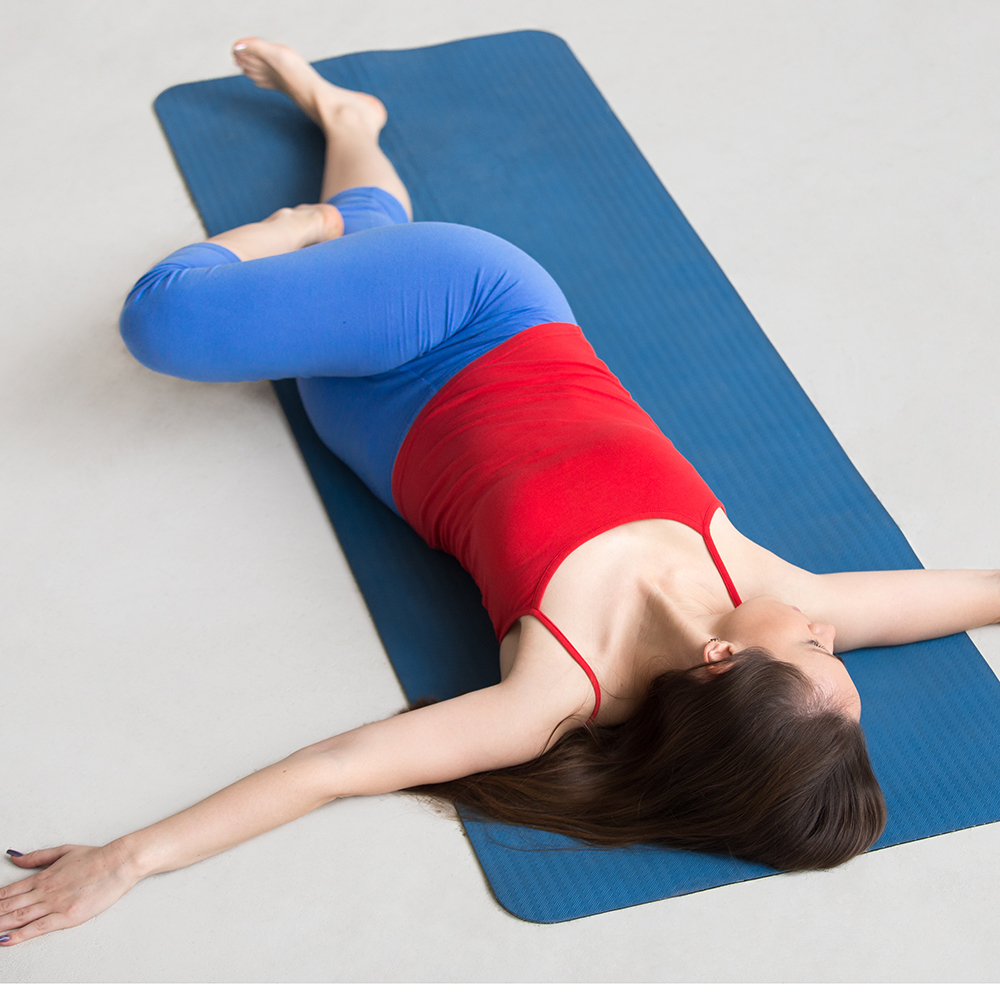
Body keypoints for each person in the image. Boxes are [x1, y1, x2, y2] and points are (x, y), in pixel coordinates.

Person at [1, 37, 998, 948]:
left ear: (722, 660)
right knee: (163, 323)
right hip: (475, 307)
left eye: (815, 652)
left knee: (308, 291)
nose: (828, 628)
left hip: (376, 424)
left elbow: (335, 767)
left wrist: (127, 857)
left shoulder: (552, 693)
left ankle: (350, 144)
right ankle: (311, 225)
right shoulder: (771, 591)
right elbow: (977, 589)